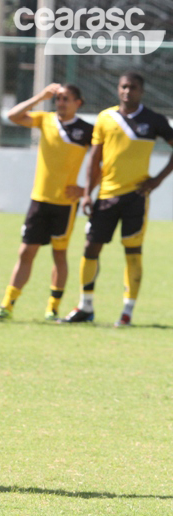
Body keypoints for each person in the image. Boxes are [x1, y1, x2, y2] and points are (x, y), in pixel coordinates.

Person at [62, 72, 173, 326]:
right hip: (106, 196)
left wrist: (157, 180)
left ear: (141, 91)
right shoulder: (105, 118)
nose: (127, 91)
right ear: (117, 89)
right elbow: (95, 158)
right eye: (123, 87)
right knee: (91, 248)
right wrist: (87, 193)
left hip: (136, 197)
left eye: (132, 87)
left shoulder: (153, 120)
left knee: (133, 252)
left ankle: (127, 312)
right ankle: (85, 306)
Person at [0, 83, 92, 321]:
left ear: (78, 103)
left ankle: (53, 308)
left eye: (66, 99)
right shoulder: (45, 120)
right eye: (59, 98)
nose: (60, 102)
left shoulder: (86, 130)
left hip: (65, 204)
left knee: (59, 255)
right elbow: (13, 116)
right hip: (39, 200)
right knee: (25, 252)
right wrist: (41, 96)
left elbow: (106, 161)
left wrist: (86, 189)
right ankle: (7, 306)